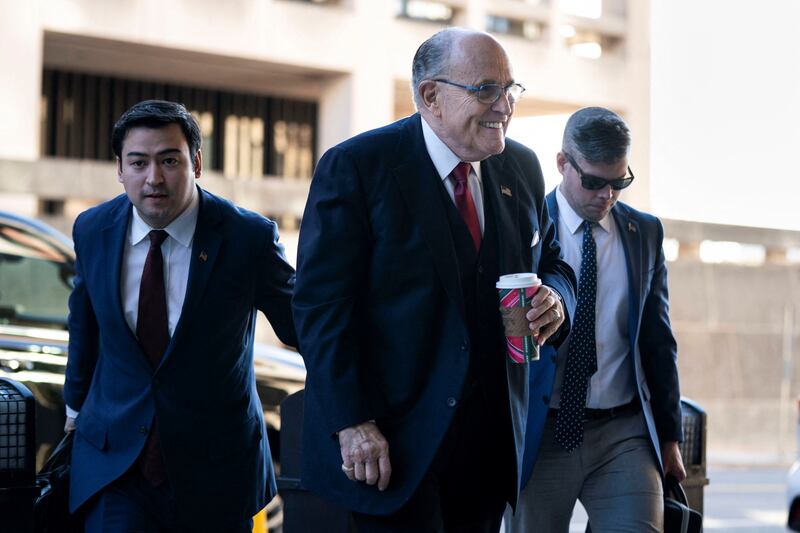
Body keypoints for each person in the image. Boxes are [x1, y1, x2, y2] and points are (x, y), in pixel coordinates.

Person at [292, 28, 577, 532]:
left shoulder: (523, 167)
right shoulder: (357, 167)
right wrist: (353, 422)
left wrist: (556, 296)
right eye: (487, 89)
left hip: (489, 451)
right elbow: (320, 307)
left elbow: (554, 260)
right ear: (431, 98)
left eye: (511, 89)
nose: (505, 106)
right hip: (389, 448)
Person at [63, 99, 297, 532]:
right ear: (120, 169)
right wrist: (74, 411)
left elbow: (307, 326)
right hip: (116, 464)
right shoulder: (93, 229)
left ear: (196, 162)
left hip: (215, 468)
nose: (153, 178)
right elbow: (86, 326)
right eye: (138, 162)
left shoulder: (247, 237)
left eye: (169, 160)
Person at [507, 107, 686, 533]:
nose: (606, 195)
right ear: (562, 163)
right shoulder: (521, 226)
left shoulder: (645, 233)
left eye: (618, 183)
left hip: (624, 433)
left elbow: (658, 340)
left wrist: (669, 436)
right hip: (543, 432)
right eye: (593, 182)